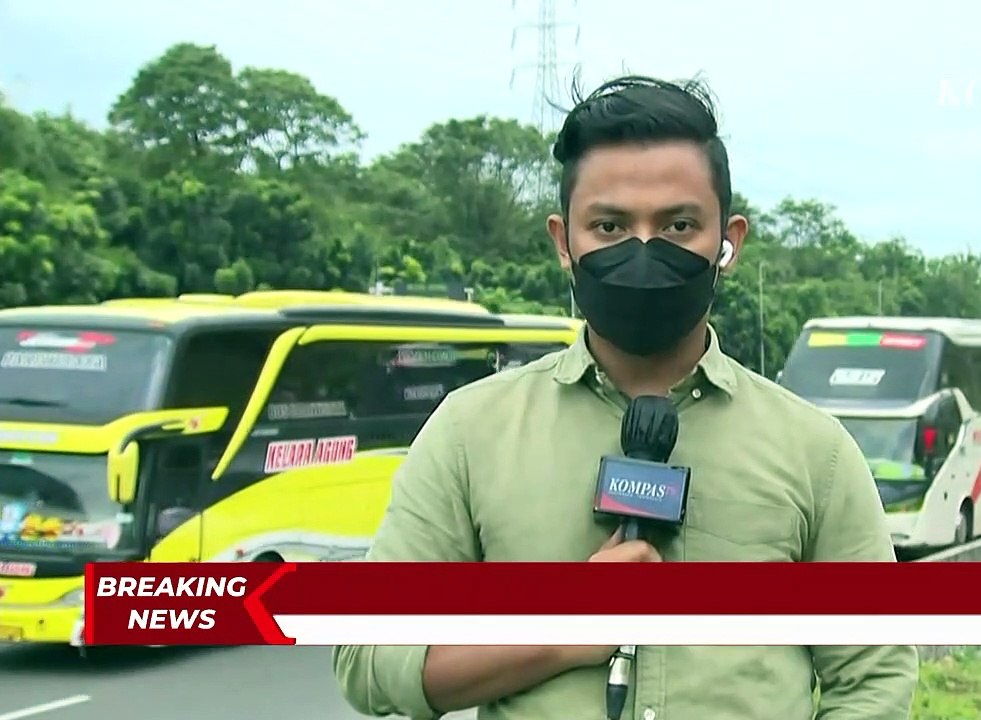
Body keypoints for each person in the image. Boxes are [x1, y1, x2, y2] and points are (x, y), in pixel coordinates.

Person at [333, 75, 919, 720]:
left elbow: (874, 678)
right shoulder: (473, 432)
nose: (643, 252)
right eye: (609, 226)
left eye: (678, 225)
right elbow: (368, 656)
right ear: (564, 241)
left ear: (729, 243)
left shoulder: (815, 452)